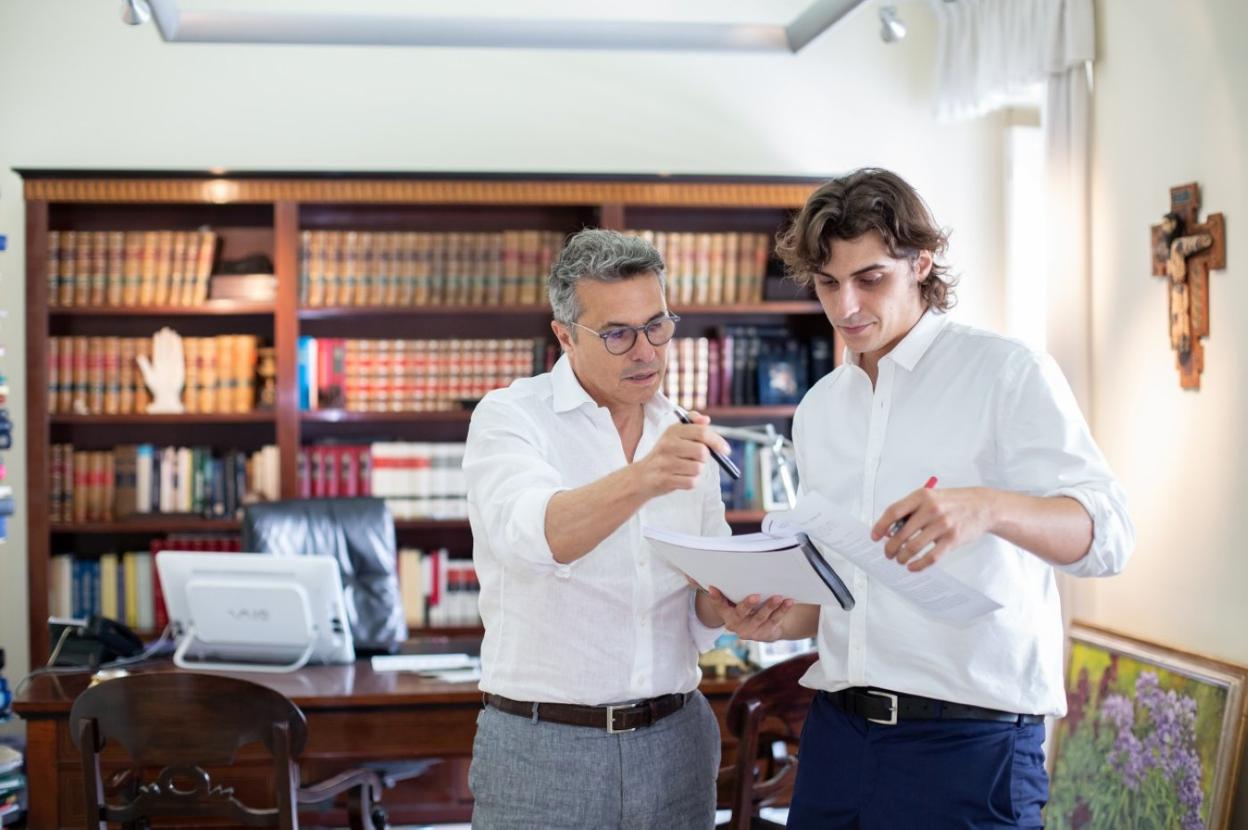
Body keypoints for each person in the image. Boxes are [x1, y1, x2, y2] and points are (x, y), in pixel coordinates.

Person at [707, 168, 1134, 828]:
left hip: (970, 746)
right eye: (828, 283)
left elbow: (1109, 538)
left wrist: (987, 507)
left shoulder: (1006, 373)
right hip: (836, 739)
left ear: (921, 263)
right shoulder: (819, 409)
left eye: (870, 278)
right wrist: (773, 617)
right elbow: (847, 596)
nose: (846, 306)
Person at [463, 228, 733, 829]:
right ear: (565, 336)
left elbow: (699, 608)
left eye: (657, 326)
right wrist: (645, 478)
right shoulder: (511, 417)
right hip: (545, 748)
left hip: (677, 741)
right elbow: (536, 538)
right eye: (617, 334)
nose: (645, 352)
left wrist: (734, 603)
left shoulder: (683, 430)